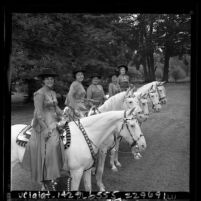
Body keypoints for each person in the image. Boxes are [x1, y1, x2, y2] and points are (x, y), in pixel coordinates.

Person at [22, 67, 65, 189]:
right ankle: (46, 178)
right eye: (48, 79)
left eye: (52, 79)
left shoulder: (52, 92)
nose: (50, 81)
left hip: (54, 120)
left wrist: (65, 114)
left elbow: (56, 108)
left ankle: (55, 172)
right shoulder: (39, 93)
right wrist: (45, 129)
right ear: (43, 81)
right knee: (52, 145)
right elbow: (38, 114)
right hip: (43, 123)